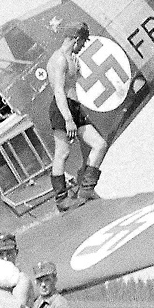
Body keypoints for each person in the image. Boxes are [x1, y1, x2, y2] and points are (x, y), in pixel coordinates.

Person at [45, 22, 108, 212]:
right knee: (62, 154)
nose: (83, 46)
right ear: (75, 39)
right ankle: (62, 199)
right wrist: (68, 119)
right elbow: (58, 91)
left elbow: (72, 85)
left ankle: (86, 189)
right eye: (83, 42)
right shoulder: (59, 59)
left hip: (74, 107)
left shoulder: (71, 59)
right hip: (62, 109)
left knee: (99, 144)